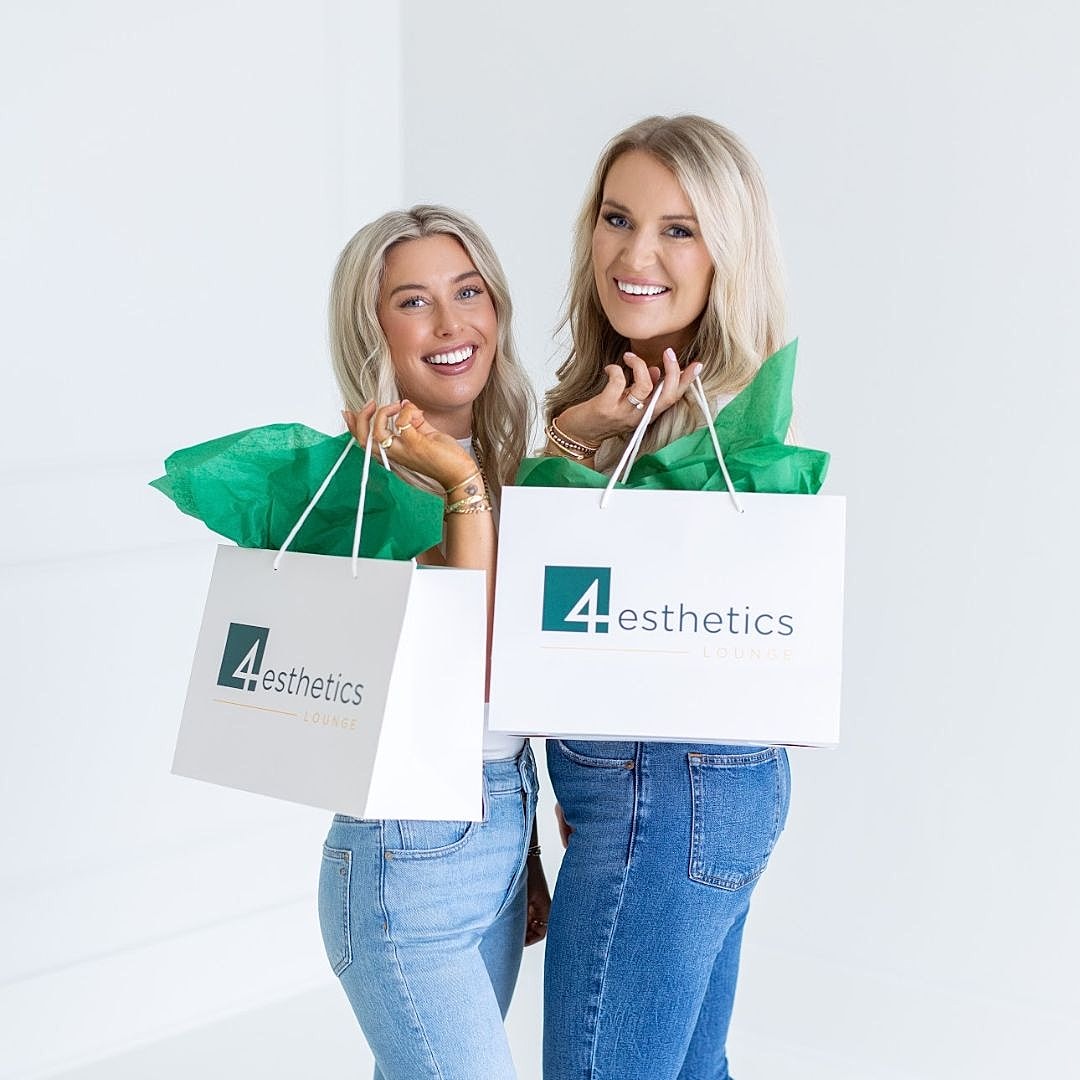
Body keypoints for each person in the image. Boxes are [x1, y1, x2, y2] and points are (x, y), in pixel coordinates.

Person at [540, 116, 793, 1080]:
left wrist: (568, 451)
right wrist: (575, 434)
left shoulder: (725, 418)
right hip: (685, 787)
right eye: (617, 218)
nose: (634, 253)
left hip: (668, 785)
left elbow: (540, 591)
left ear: (728, 248)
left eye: (679, 229)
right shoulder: (618, 393)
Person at [317, 205, 548, 1080]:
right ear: (372, 328)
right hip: (406, 857)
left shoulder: (487, 463)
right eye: (414, 302)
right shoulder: (364, 483)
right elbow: (471, 661)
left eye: (469, 292)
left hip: (491, 831)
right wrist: (459, 488)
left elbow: (512, 703)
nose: (453, 325)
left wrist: (521, 847)